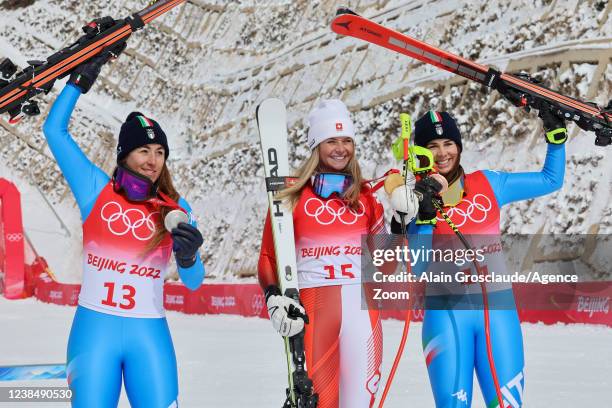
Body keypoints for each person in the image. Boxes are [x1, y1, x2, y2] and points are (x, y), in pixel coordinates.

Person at [42, 49, 205, 408]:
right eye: (143, 150)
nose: (152, 160)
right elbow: (54, 130)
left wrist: (189, 255)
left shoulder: (176, 209)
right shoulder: (94, 190)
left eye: (159, 152)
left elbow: (194, 283)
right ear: (124, 155)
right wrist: (78, 81)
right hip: (93, 332)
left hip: (148, 335)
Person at [257, 99, 420, 408]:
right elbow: (269, 257)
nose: (340, 148)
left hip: (363, 311)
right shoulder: (290, 196)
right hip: (314, 311)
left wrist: (399, 224)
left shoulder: (366, 199)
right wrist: (272, 296)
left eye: (347, 140)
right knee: (319, 402)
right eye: (331, 140)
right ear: (316, 145)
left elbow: (382, 269)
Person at [410, 109, 566, 407]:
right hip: (446, 319)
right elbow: (418, 268)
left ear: (458, 146)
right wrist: (426, 217)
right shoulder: (411, 199)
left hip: (498, 316)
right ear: (421, 153)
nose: (442, 153)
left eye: (448, 144)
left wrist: (555, 139)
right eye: (432, 146)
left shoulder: (489, 184)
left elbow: (550, 180)